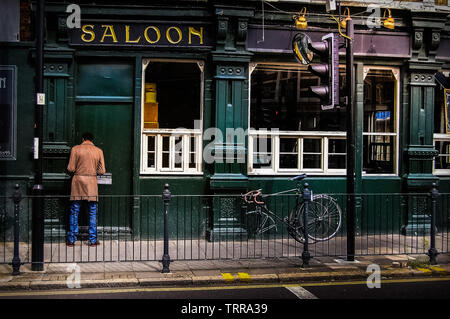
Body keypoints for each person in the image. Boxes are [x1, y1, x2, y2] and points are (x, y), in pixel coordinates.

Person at [66, 132, 105, 247]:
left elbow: (71, 168)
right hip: (91, 183)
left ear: (83, 139)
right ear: (92, 140)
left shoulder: (75, 149)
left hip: (77, 182)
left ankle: (71, 240)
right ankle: (93, 240)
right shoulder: (98, 151)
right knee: (92, 212)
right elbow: (102, 171)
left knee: (74, 211)